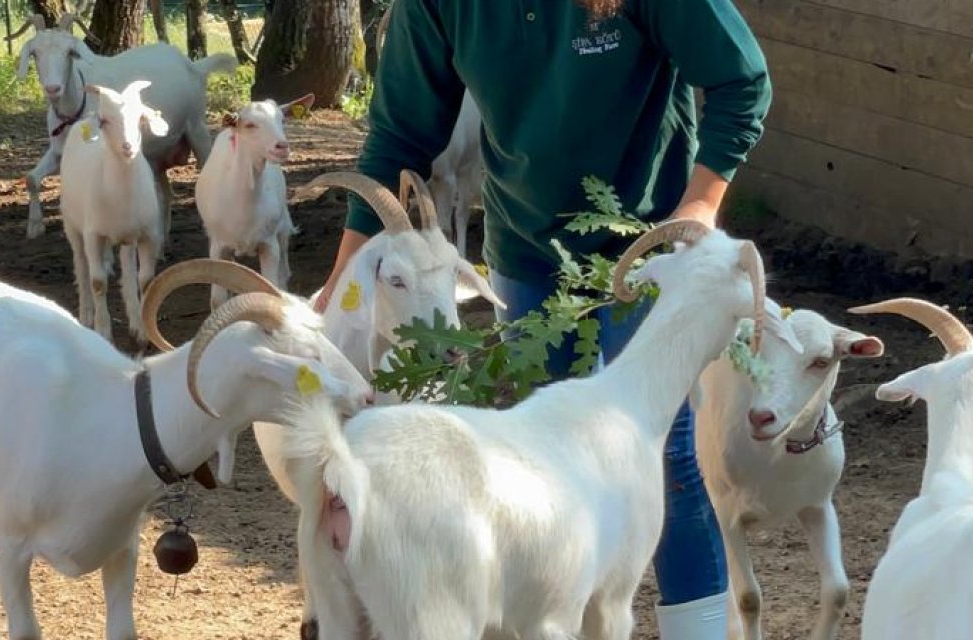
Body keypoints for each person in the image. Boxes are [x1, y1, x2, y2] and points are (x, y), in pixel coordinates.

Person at [313, 0, 771, 637]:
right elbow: (400, 134)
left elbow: (741, 79)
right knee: (545, 467)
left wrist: (699, 204)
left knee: (660, 454)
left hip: (647, 250)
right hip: (528, 251)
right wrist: (341, 280)